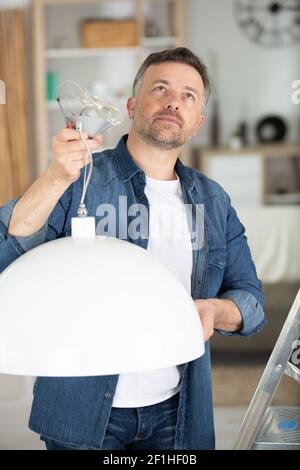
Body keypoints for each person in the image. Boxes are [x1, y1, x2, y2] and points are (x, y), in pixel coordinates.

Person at [0, 47, 266, 450]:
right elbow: (10, 246)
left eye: (188, 96)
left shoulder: (214, 202)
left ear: (197, 123)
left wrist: (213, 310)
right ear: (131, 104)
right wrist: (55, 177)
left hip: (176, 413)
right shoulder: (79, 178)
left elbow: (252, 304)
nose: (173, 101)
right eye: (160, 88)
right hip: (81, 412)